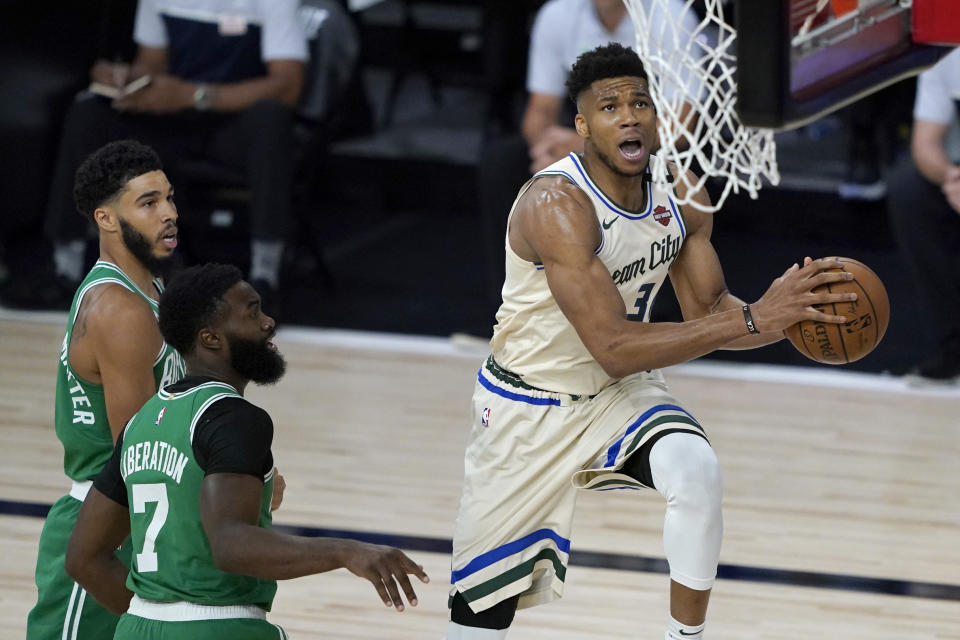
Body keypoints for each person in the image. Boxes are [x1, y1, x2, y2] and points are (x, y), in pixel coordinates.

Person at [447, 43, 857, 640]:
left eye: (640, 102)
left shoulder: (681, 195)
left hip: (618, 392)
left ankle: (684, 638)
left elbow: (711, 309)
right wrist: (754, 320)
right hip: (527, 405)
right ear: (583, 127)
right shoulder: (556, 205)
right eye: (610, 106)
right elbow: (613, 341)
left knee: (696, 471)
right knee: (478, 624)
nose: (630, 115)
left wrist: (789, 316)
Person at [64, 263, 430, 638]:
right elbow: (231, 544)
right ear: (211, 338)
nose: (268, 322)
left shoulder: (141, 422)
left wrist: (159, 617)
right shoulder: (234, 417)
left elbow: (83, 557)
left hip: (137, 628)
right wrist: (346, 551)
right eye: (253, 312)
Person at [37, 0, 307, 314]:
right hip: (169, 118)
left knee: (271, 119)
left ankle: (265, 276)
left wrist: (194, 95)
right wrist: (124, 79)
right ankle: (65, 268)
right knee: (88, 111)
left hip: (233, 124)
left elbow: (288, 86)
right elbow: (152, 65)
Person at [26, 139, 187, 639]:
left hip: (135, 520)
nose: (169, 214)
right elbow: (141, 453)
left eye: (168, 197)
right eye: (148, 203)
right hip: (107, 525)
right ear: (106, 219)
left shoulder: (148, 291)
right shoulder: (120, 311)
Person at [477, 0, 704, 323]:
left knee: (664, 169)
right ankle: (515, 310)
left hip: (652, 138)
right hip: (584, 135)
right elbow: (539, 111)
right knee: (503, 162)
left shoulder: (670, 16)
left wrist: (588, 149)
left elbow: (682, 124)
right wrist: (548, 150)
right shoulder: (557, 15)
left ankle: (653, 311)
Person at [886, 46, 960, 384]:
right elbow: (925, 143)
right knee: (909, 192)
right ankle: (952, 349)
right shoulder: (947, 49)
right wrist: (950, 178)